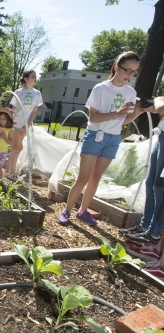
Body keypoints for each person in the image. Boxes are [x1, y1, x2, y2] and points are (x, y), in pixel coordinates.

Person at [58, 51, 144, 226]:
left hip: (113, 139)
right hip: (95, 137)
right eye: (127, 70)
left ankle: (82, 211)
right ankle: (66, 210)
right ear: (116, 67)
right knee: (83, 177)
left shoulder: (130, 92)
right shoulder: (101, 89)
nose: (130, 75)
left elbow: (122, 121)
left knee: (96, 178)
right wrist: (117, 112)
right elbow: (93, 118)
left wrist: (136, 113)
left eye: (134, 72)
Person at [122, 96, 164, 253]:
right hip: (162, 137)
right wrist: (151, 107)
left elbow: (162, 106)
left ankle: (153, 233)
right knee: (151, 183)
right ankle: (145, 225)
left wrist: (158, 101)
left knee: (160, 188)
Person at [0, 70, 43, 179]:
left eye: (35, 76)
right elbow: (13, 109)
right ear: (26, 79)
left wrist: (28, 125)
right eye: (32, 76)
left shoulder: (37, 93)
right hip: (17, 121)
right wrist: (11, 121)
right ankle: (11, 171)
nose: (35, 78)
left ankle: (9, 170)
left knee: (17, 147)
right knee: (18, 146)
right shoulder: (19, 92)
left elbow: (34, 111)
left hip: (25, 123)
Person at [0, 112, 15, 179]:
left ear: (8, 120)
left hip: (2, 153)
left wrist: (5, 137)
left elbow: (12, 143)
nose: (1, 121)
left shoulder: (9, 130)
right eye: (0, 119)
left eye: (3, 119)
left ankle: (0, 182)